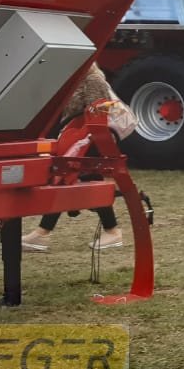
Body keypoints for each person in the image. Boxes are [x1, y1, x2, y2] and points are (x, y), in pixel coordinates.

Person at [22, 65, 132, 252]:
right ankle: (43, 233)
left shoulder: (92, 80)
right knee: (68, 182)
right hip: (80, 140)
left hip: (88, 142)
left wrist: (85, 143)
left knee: (72, 181)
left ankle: (44, 233)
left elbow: (99, 114)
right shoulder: (79, 79)